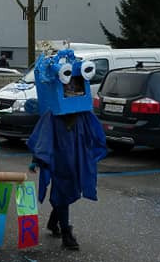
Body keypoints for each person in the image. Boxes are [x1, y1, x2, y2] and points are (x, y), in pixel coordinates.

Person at [27, 49, 108, 250]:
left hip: (77, 159)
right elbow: (43, 139)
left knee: (68, 192)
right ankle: (66, 233)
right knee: (63, 191)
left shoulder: (82, 114)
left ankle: (54, 222)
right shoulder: (53, 116)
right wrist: (37, 160)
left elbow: (95, 134)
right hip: (60, 161)